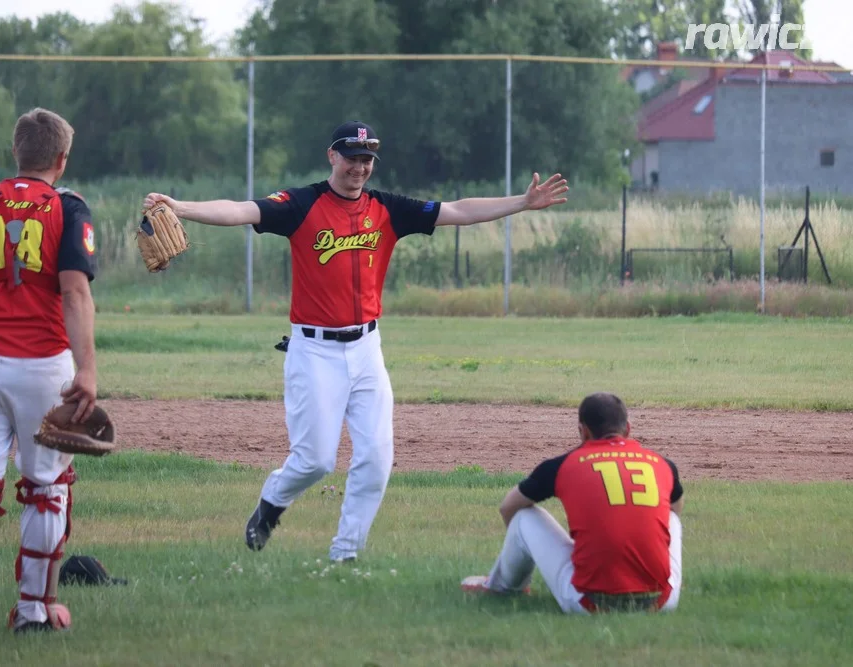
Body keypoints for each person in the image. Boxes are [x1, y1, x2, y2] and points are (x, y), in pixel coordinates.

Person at [142, 120, 568, 562]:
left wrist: (522, 202)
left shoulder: (387, 208)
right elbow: (241, 210)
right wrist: (182, 207)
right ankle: (272, 502)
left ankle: (346, 553)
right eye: (352, 157)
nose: (360, 168)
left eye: (367, 160)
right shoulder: (299, 203)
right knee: (315, 461)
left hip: (367, 349)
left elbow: (457, 210)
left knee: (377, 458)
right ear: (332, 156)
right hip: (315, 350)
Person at [0, 108, 98, 638]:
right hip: (40, 362)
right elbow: (74, 290)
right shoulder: (67, 206)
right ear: (61, 158)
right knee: (46, 485)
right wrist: (86, 369)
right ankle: (35, 610)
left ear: (17, 152)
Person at [460, 392, 684, 614]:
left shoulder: (561, 466)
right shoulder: (663, 464)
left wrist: (529, 552)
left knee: (522, 518)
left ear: (582, 431)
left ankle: (502, 588)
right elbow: (674, 510)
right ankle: (654, 578)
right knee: (670, 515)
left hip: (588, 605)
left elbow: (507, 507)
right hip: (661, 603)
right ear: (628, 428)